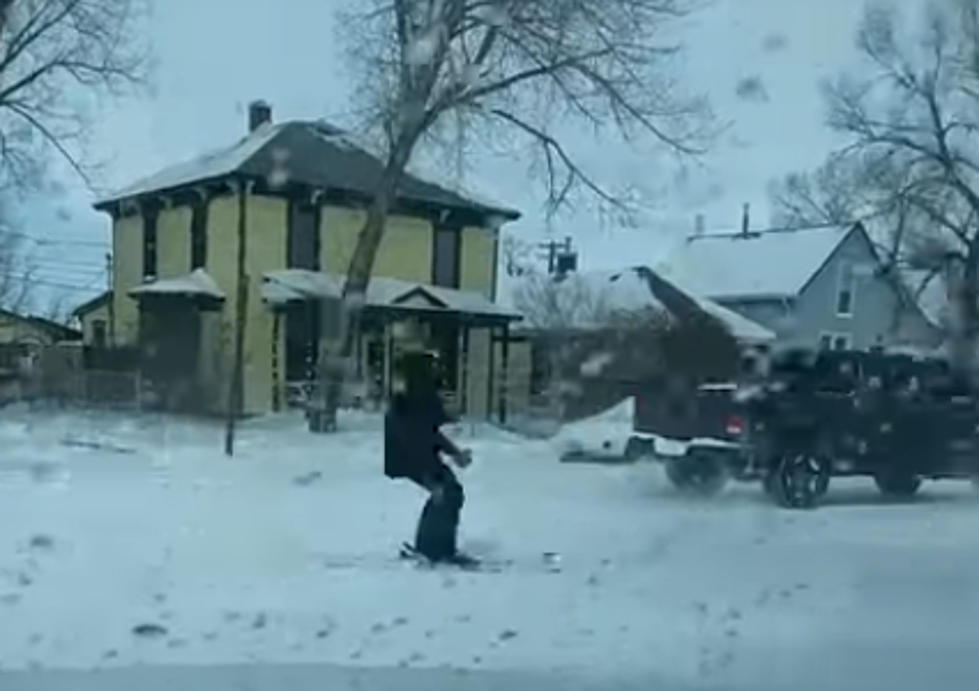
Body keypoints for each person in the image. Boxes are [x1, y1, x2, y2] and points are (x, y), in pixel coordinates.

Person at [384, 349, 475, 565]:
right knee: (446, 494)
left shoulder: (422, 394)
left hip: (416, 452)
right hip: (408, 455)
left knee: (449, 494)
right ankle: (435, 550)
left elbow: (431, 432)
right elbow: (414, 438)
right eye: (433, 367)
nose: (438, 370)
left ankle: (434, 548)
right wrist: (429, 478)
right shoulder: (414, 397)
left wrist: (455, 453)